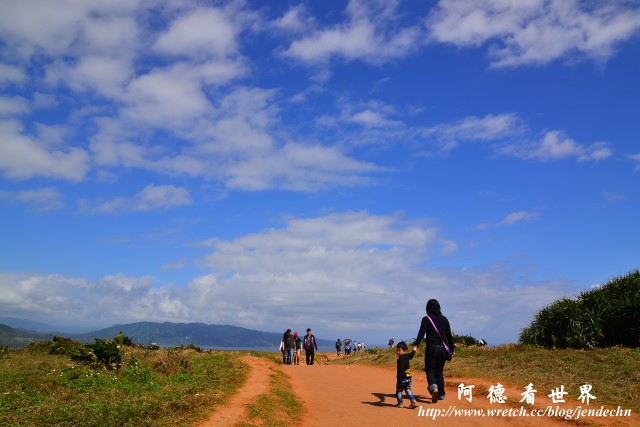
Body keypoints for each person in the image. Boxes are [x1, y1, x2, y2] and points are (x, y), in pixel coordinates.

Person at [413, 299, 455, 404]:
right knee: (439, 371)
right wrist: (452, 349)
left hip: (431, 349)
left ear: (427, 308)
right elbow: (449, 336)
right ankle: (441, 394)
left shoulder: (426, 319)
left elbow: (421, 334)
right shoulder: (444, 319)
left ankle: (434, 389)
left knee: (430, 370)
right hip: (443, 350)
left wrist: (416, 346)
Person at [395, 341, 417, 409]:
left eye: (399, 350)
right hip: (408, 378)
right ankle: (413, 400)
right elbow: (412, 354)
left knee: (399, 391)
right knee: (408, 390)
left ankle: (400, 403)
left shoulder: (399, 359)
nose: (398, 352)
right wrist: (414, 350)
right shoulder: (407, 356)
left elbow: (399, 371)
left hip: (401, 379)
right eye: (397, 350)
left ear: (404, 351)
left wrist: (398, 379)